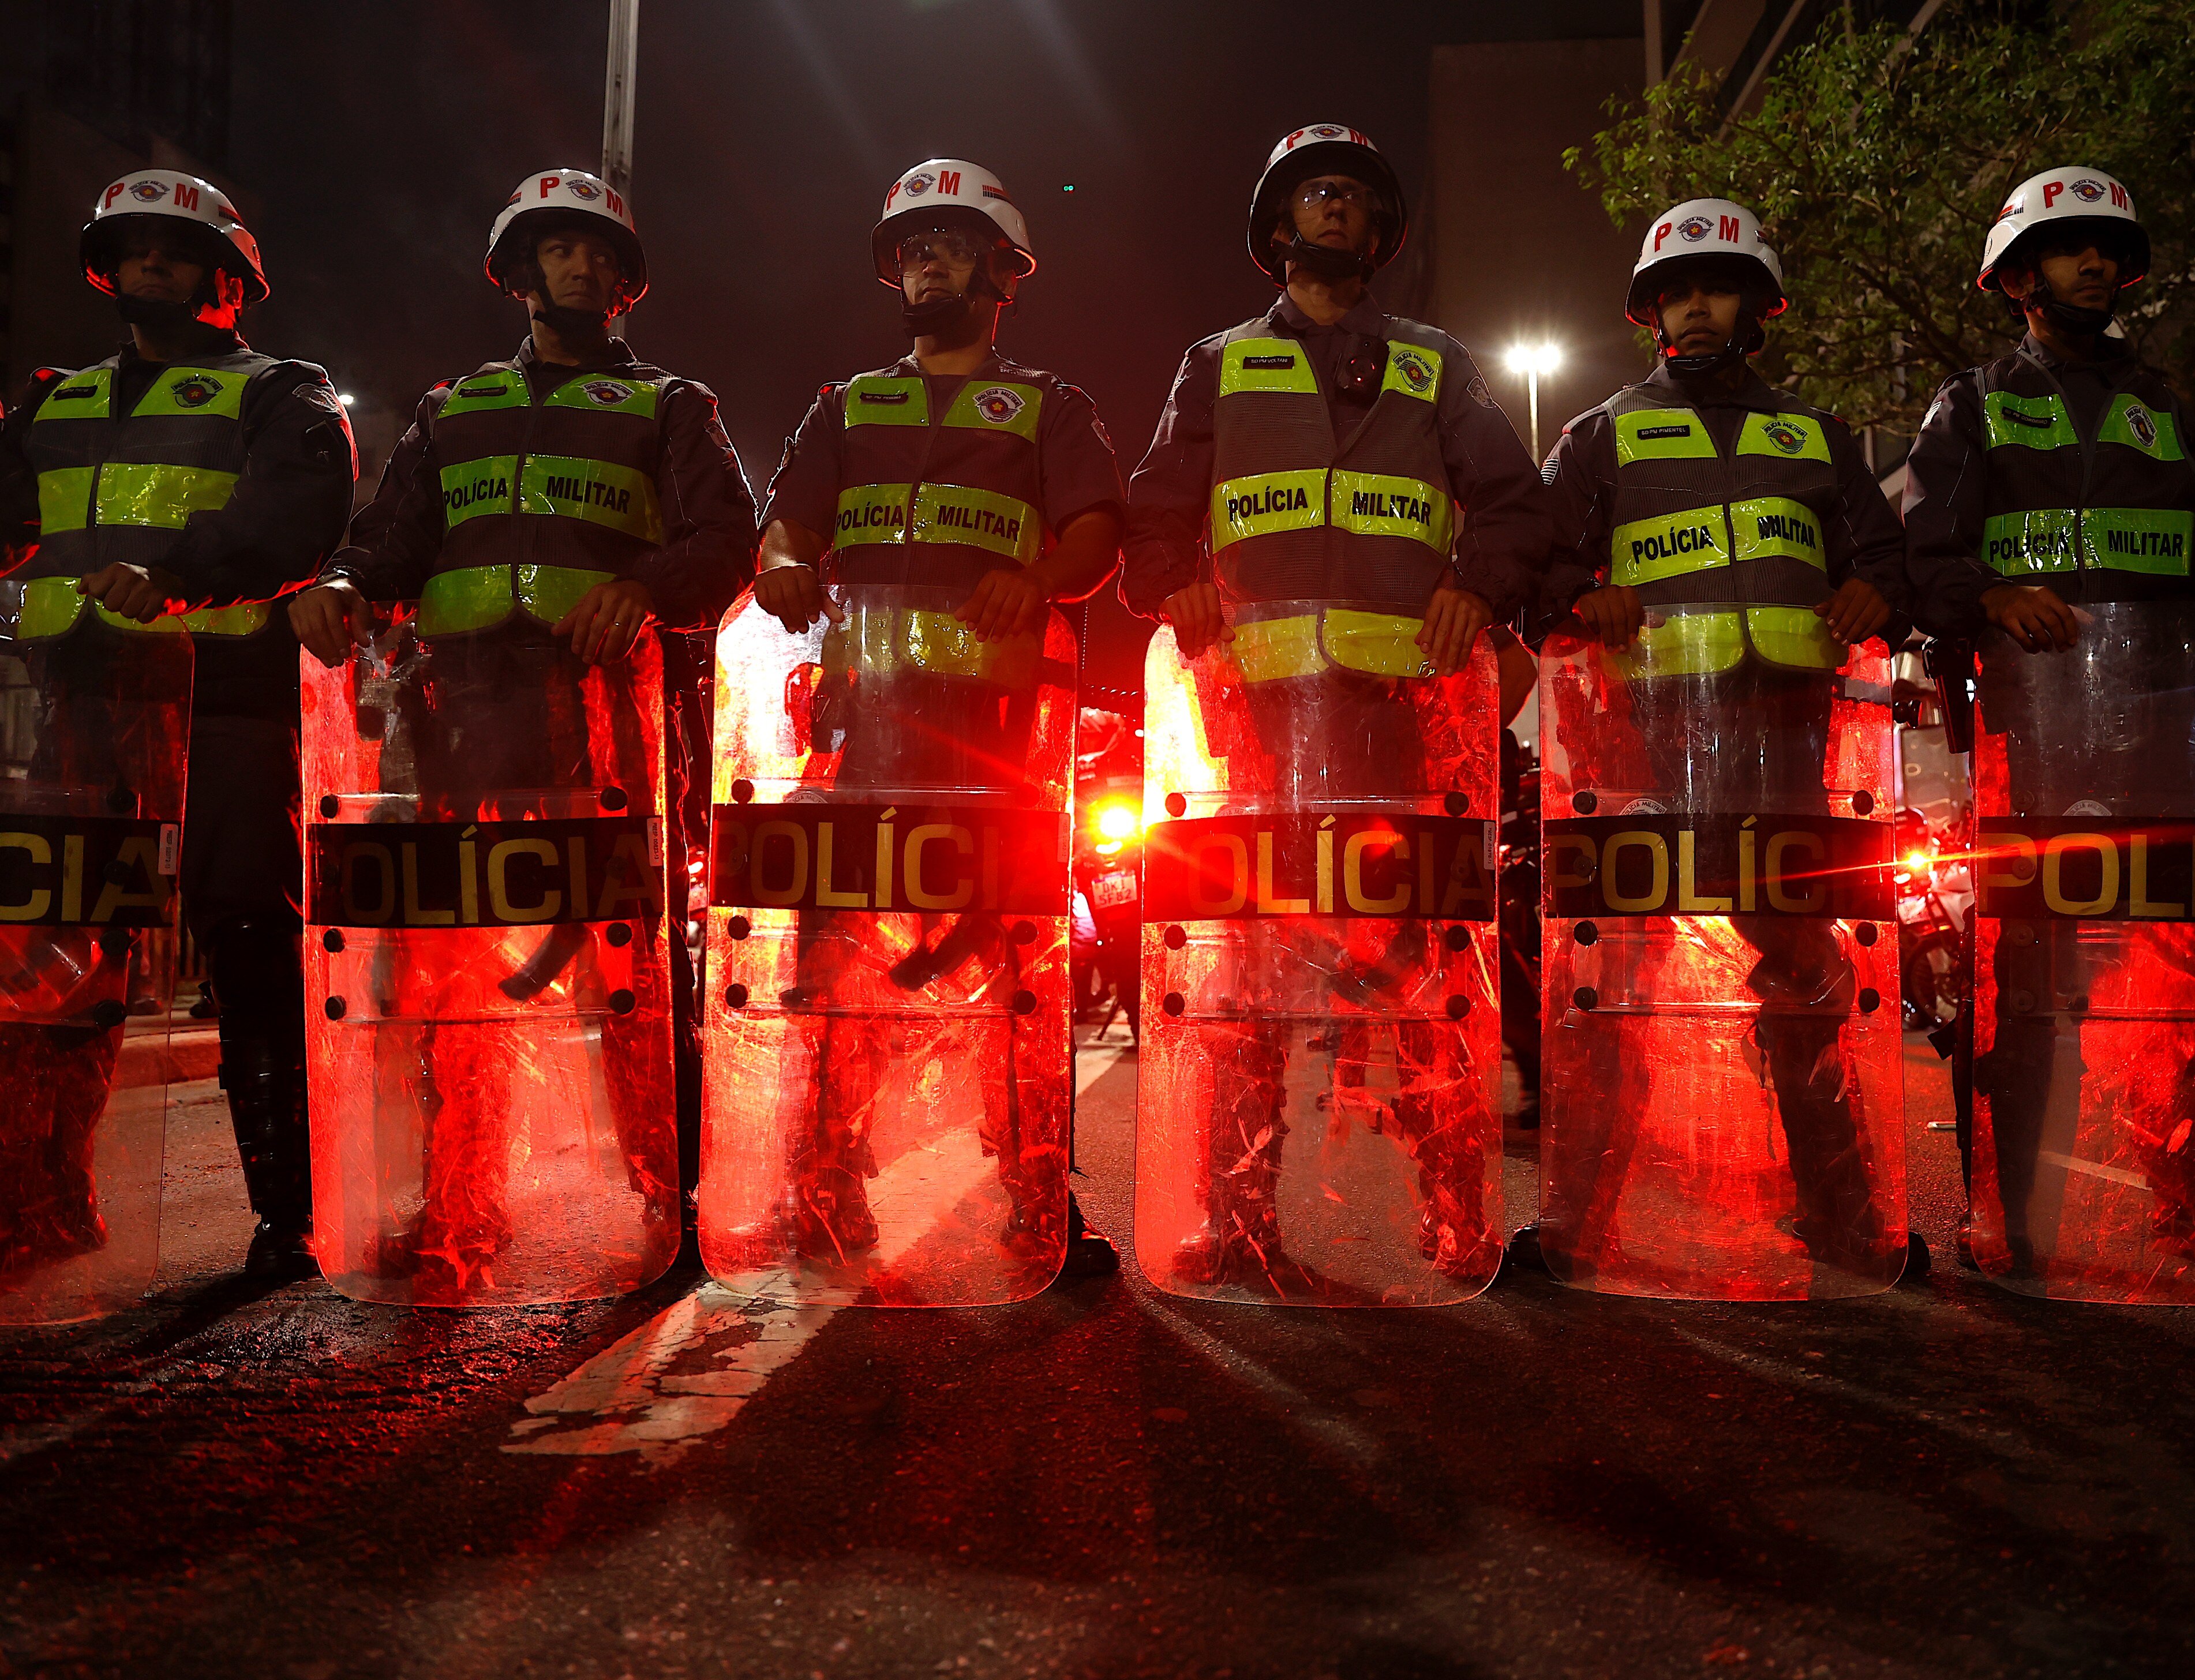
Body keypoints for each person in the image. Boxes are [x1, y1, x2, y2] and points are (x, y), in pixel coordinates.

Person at [292, 169, 755, 1292]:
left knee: (626, 969)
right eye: (559, 250)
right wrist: (342, 581)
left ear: (626, 285)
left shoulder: (671, 407)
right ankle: (459, 1206)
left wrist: (643, 587)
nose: (582, 268)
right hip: (459, 721)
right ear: (520, 272)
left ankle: (672, 1206)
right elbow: (391, 538)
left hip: (602, 720)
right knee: (454, 975)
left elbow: (726, 537)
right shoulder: (452, 409)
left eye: (600, 254)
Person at [1123, 123, 1552, 1292]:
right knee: (1249, 987)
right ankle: (1232, 1219)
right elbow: (1156, 505)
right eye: (1314, 194)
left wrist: (1477, 586)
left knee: (1414, 981)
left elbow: (1513, 504)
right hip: (1253, 730)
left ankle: (1454, 1216)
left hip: (1401, 725)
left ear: (1381, 232)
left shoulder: (1439, 366)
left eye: (1354, 196)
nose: (1334, 208)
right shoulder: (1215, 362)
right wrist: (1174, 580)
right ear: (1276, 228)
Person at [1905, 165, 2195, 1288]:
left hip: (2159, 739)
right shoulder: (1974, 404)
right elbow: (1926, 558)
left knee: (2172, 993)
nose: (2093, 262)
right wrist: (1987, 596)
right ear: (2018, 277)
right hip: (2029, 752)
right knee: (2030, 1002)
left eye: (2107, 247)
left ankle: (2190, 1218)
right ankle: (2010, 1223)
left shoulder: (2170, 403)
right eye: (2066, 247)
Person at [739, 158, 1123, 1281]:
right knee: (836, 967)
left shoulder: (1053, 406)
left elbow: (1098, 530)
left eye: (951, 244)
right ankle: (826, 1182)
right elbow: (785, 531)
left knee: (1013, 973)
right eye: (912, 247)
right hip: (859, 740)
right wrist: (784, 566)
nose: (927, 262)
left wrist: (1043, 576)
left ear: (1003, 270)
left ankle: (1036, 1197)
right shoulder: (844, 406)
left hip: (995, 741)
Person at [1531, 197, 1911, 1287]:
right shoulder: (1600, 434)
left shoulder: (1817, 436)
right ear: (1652, 312)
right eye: (1678, 291)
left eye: (1720, 287)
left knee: (1802, 975)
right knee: (1617, 986)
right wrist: (1583, 597)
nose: (1698, 307)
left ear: (1758, 306)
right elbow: (1541, 559)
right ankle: (1580, 1226)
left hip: (1786, 748)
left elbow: (1886, 558)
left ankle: (1843, 1215)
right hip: (1643, 754)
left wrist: (1868, 591)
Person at [0, 168, 354, 1280]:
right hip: (79, 705)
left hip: (225, 704)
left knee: (248, 952)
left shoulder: (278, 394)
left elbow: (296, 519)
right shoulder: (50, 404)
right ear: (109, 267)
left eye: (178, 247)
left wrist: (180, 576)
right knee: (57, 967)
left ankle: (288, 1214)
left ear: (228, 277)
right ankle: (44, 1204)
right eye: (136, 246)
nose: (154, 262)